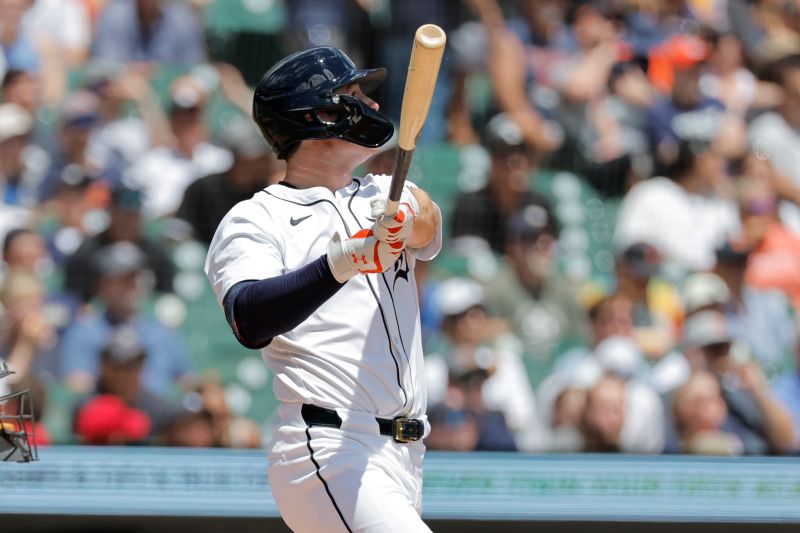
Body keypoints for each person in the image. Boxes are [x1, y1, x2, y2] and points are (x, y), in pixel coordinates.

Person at [205, 47, 442, 532]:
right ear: (318, 115)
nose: (371, 107)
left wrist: (408, 223)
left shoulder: (383, 193)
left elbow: (429, 225)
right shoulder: (257, 217)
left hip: (404, 455)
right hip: (329, 445)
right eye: (353, 96)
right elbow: (249, 318)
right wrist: (344, 261)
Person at [61, 242, 192, 396]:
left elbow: (187, 381)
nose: (132, 284)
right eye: (122, 278)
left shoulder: (161, 332)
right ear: (102, 285)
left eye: (135, 276)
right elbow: (76, 385)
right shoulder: (84, 331)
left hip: (160, 414)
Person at [177, 116, 284, 244]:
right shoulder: (202, 188)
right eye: (261, 157)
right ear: (241, 159)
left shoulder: (267, 193)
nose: (268, 162)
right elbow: (180, 231)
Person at [64, 184, 174, 303]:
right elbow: (74, 297)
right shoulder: (87, 252)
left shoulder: (155, 255)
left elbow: (165, 297)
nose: (128, 220)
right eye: (123, 214)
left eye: (134, 214)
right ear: (111, 212)